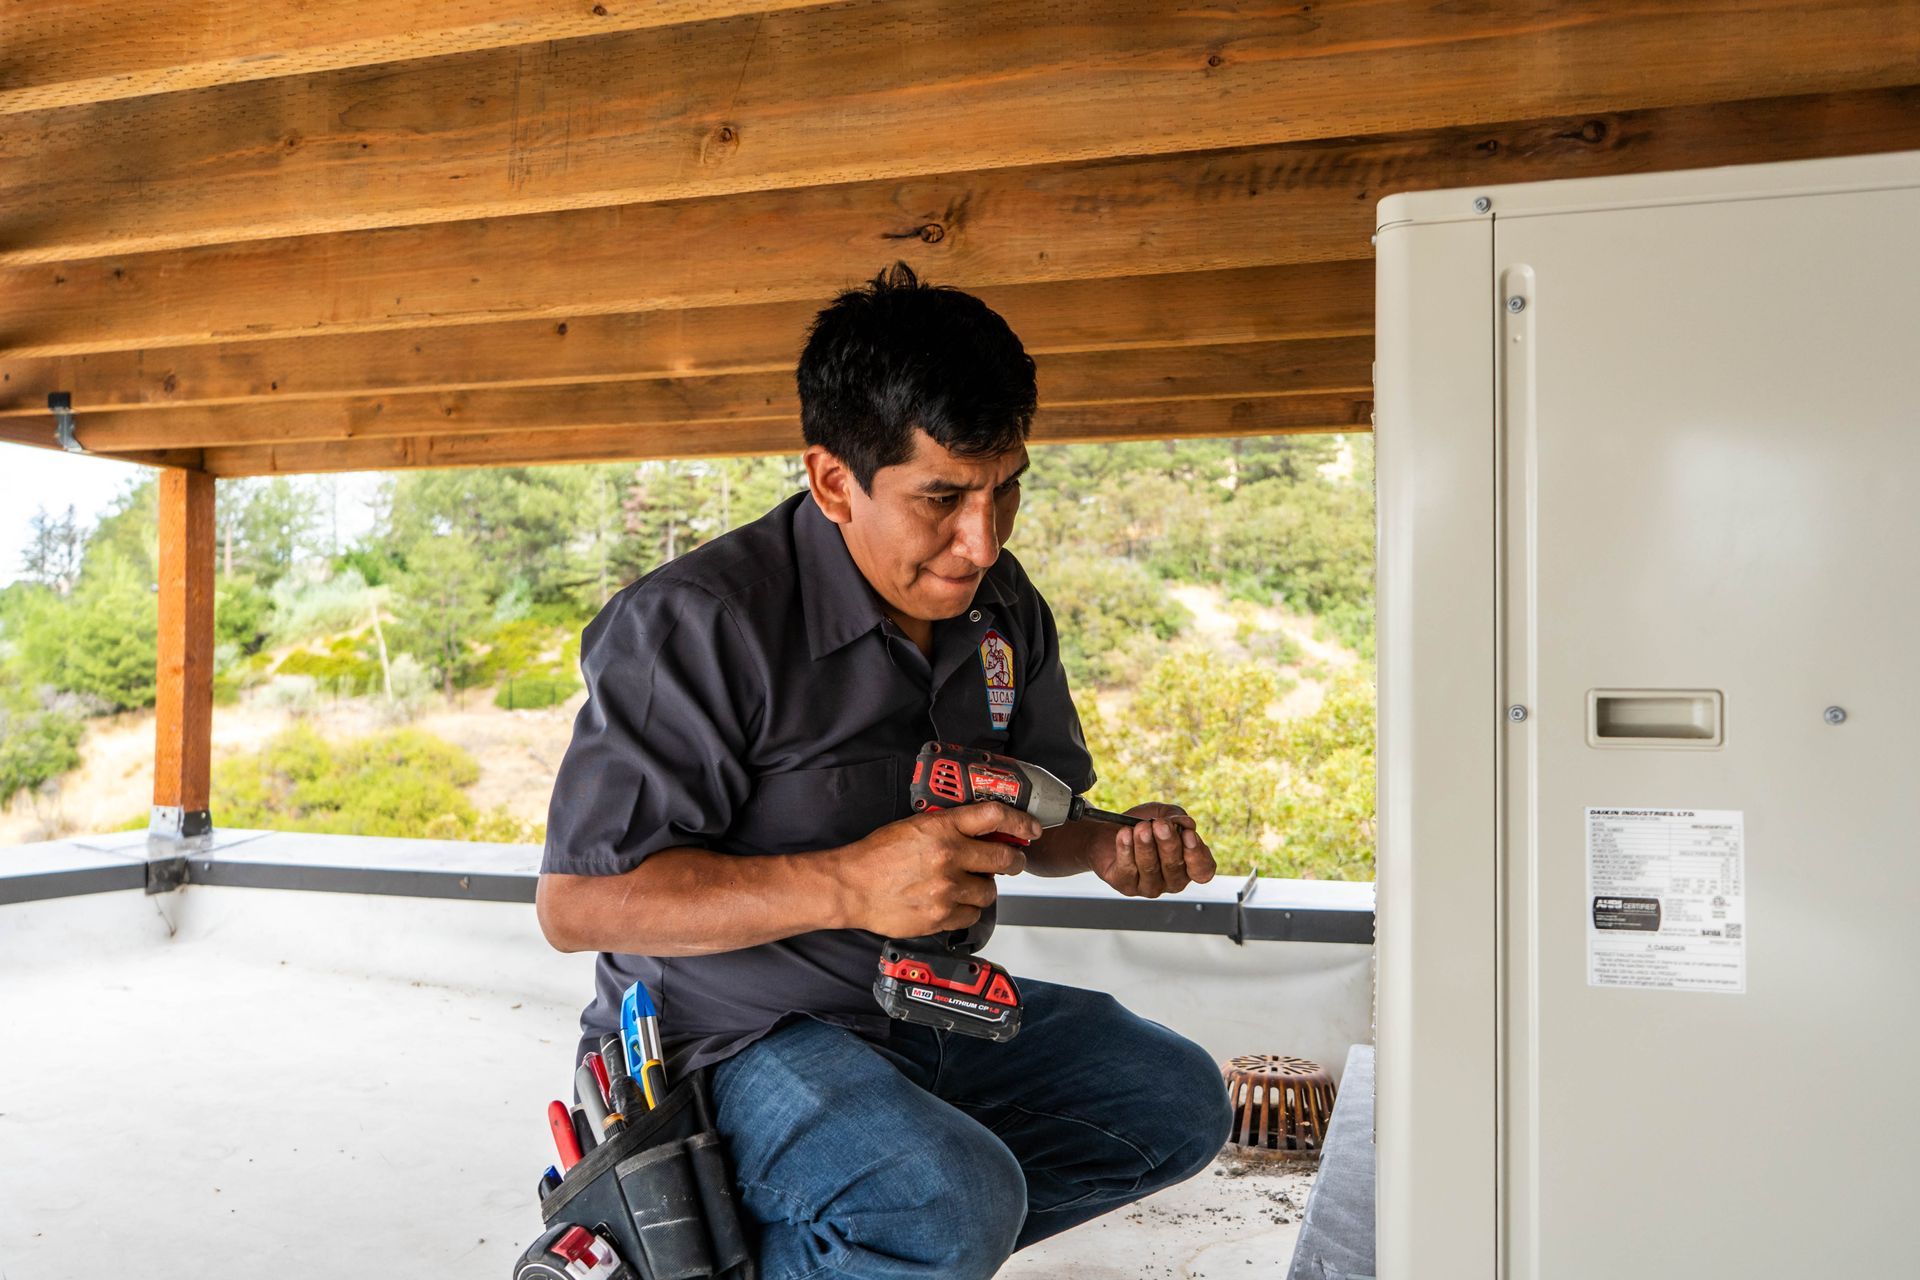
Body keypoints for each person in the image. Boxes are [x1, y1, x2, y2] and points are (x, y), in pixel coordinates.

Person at [536, 262, 1232, 1279]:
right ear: (832, 480)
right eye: (943, 497)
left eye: (1007, 490)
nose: (982, 539)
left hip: (928, 999)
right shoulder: (698, 624)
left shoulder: (1001, 607)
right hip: (731, 1040)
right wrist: (853, 882)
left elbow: (1031, 815)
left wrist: (1108, 842)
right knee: (948, 1194)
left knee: (1172, 1100)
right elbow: (580, 905)